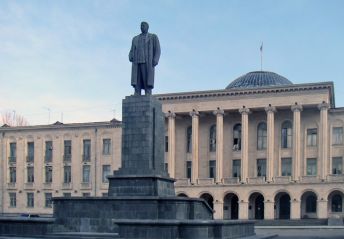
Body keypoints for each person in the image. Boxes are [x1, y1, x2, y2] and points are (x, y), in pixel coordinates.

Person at [129, 22, 161, 95]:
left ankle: (148, 92)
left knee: (146, 78)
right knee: (137, 79)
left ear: (147, 27)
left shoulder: (153, 37)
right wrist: (130, 55)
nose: (142, 27)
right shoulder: (135, 38)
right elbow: (131, 50)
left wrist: (156, 59)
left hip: (147, 61)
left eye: (144, 26)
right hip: (137, 61)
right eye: (141, 26)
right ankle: (137, 92)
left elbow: (158, 49)